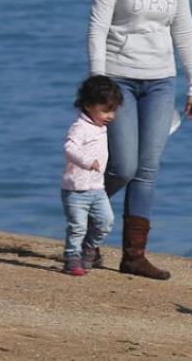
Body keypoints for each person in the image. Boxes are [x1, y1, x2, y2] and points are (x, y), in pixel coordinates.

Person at [87, 0, 192, 280]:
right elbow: (98, 27)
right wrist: (98, 84)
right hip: (118, 79)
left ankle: (133, 256)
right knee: (123, 166)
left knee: (147, 170)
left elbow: (183, 26)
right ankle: (85, 221)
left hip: (160, 80)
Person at [61, 76, 123, 276]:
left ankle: (89, 249)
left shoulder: (101, 127)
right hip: (76, 189)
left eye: (113, 110)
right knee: (77, 227)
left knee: (106, 222)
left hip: (97, 189)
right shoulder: (80, 127)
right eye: (105, 110)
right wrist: (87, 161)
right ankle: (71, 258)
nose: (110, 115)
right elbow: (69, 148)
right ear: (88, 105)